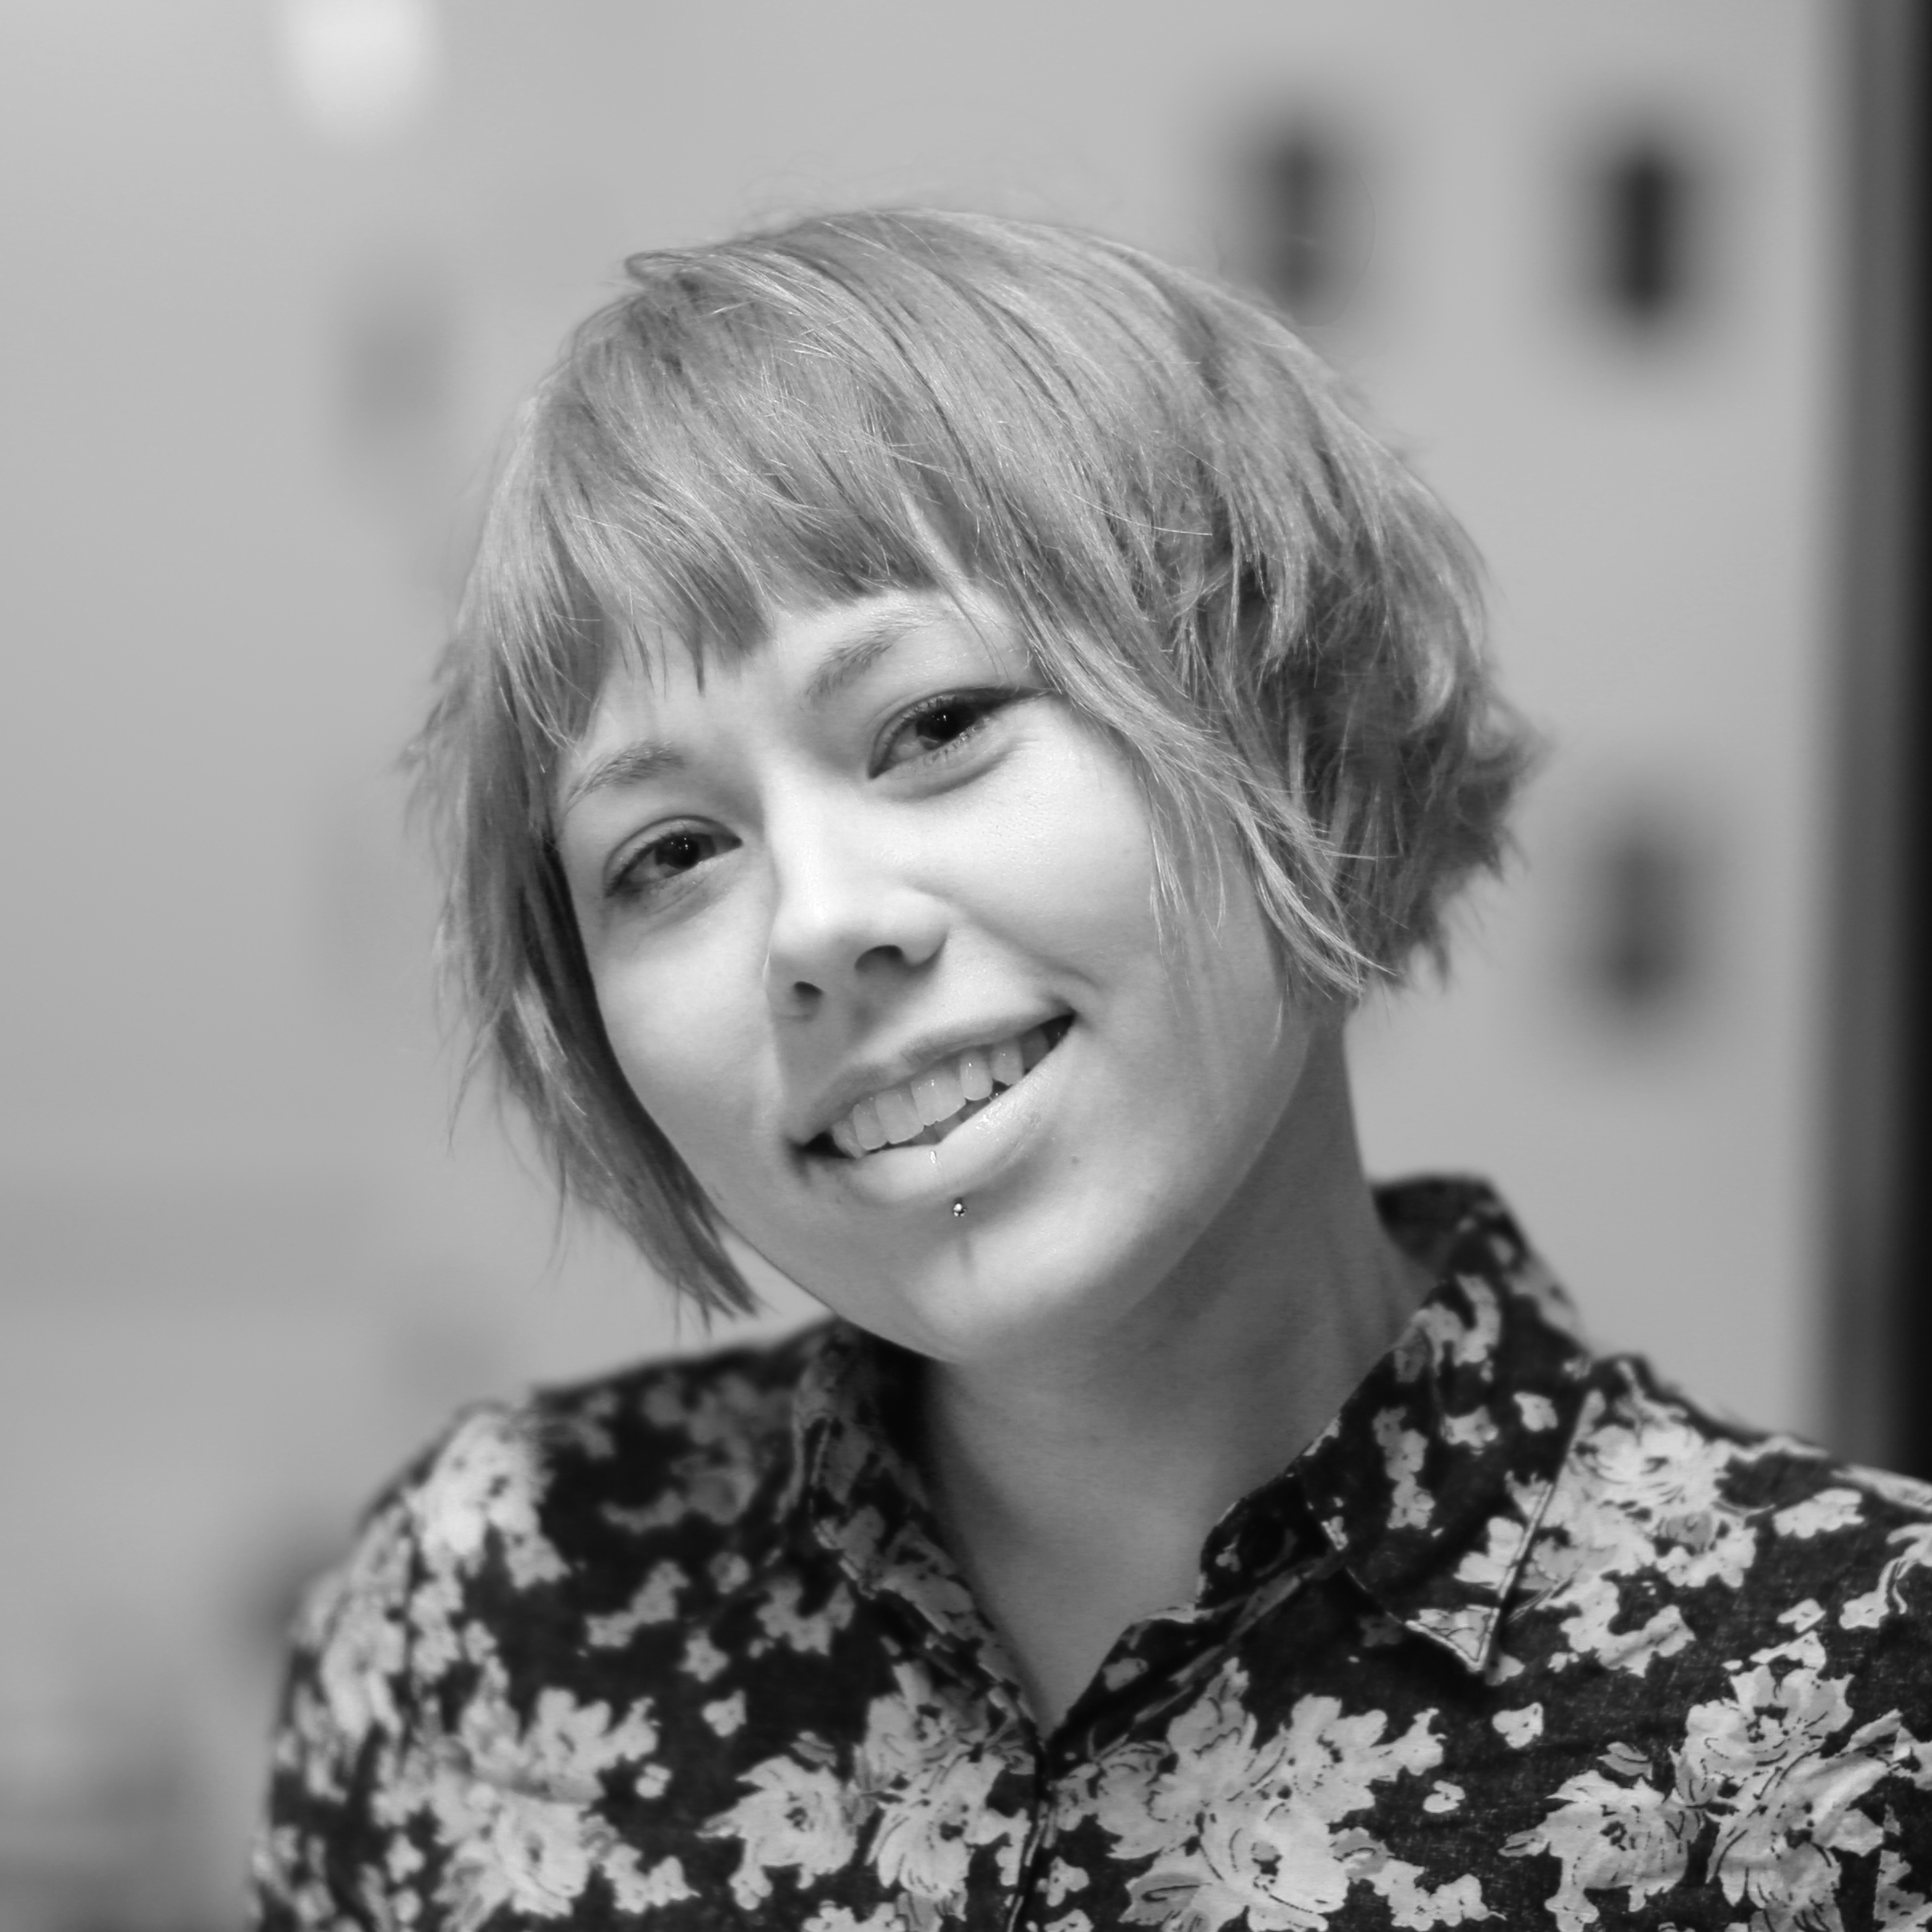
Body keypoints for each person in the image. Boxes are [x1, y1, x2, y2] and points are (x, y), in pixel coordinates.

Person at [249, 210, 1932, 1932]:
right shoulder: (487, 1620)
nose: (814, 927)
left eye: (931, 724)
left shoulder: (1857, 1690)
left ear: (1294, 725)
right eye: (668, 852)